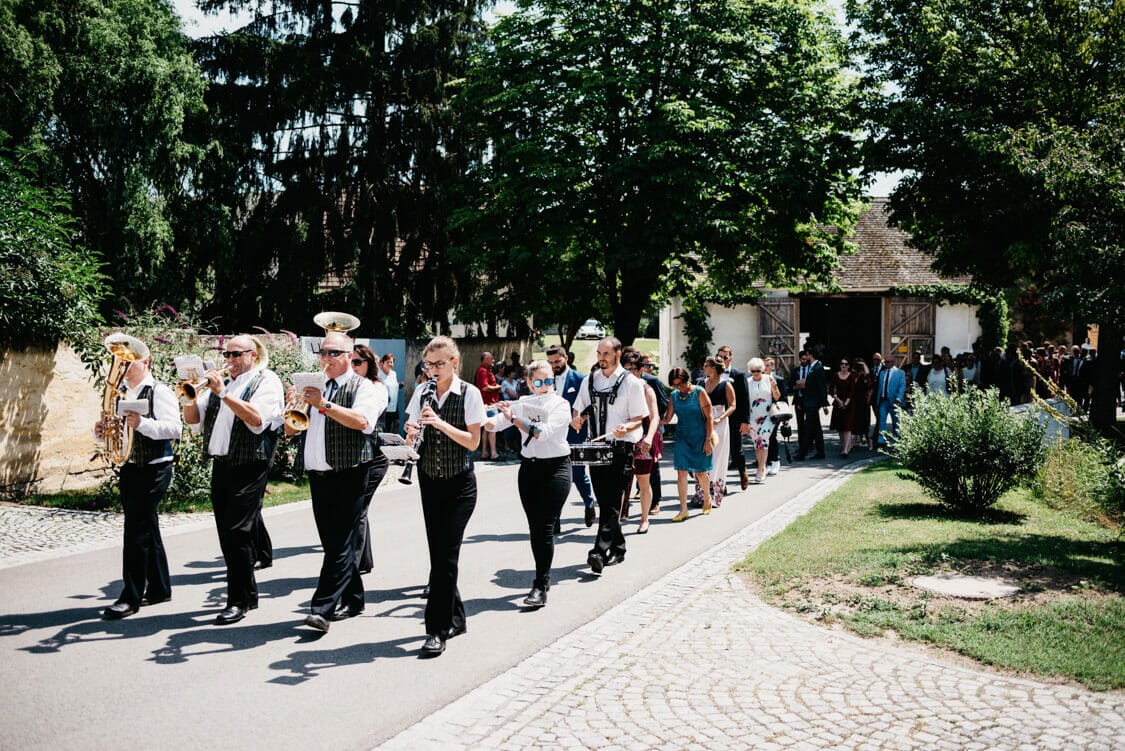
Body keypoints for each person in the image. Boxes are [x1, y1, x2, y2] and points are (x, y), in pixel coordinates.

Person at [286, 329, 386, 633]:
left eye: (334, 353)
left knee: (341, 542)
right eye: (323, 352)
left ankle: (321, 608)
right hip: (319, 474)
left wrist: (323, 405)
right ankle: (354, 599)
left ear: (349, 356)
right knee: (332, 543)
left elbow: (363, 422)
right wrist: (294, 405)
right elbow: (291, 431)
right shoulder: (315, 386)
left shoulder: (364, 387)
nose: (326, 358)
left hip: (349, 471)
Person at [183, 335, 283, 624]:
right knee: (227, 533)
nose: (229, 360)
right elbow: (193, 420)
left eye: (236, 354)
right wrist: (189, 395)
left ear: (253, 354)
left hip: (251, 464)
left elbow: (256, 420)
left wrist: (224, 392)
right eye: (226, 354)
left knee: (238, 532)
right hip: (223, 464)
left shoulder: (266, 380)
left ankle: (237, 601)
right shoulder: (219, 385)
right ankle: (248, 595)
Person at [404, 336, 484, 657]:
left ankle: (435, 630)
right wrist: (411, 434)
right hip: (429, 480)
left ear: (454, 363)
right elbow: (412, 427)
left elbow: (473, 442)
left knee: (446, 556)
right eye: (429, 365)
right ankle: (457, 617)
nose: (433, 370)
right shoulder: (422, 391)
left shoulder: (470, 394)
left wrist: (438, 422)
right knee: (439, 556)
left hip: (459, 485)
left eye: (439, 364)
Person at [97, 335, 181, 620]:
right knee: (147, 526)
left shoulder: (159, 391)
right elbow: (109, 430)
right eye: (122, 362)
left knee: (136, 530)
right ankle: (159, 588)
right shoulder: (119, 391)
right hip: (130, 465)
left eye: (131, 362)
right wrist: (100, 431)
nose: (125, 366)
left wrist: (142, 424)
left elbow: (174, 429)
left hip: (156, 466)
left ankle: (129, 597)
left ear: (146, 362)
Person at [484, 360, 571, 607]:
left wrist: (515, 419)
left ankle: (540, 584)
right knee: (535, 527)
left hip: (556, 468)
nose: (545, 386)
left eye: (549, 381)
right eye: (539, 382)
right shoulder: (523, 402)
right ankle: (542, 578)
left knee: (544, 526)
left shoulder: (560, 404)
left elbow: (543, 434)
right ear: (530, 382)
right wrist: (491, 414)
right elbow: (494, 425)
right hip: (529, 469)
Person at [570, 337, 648, 575]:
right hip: (596, 448)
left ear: (617, 353)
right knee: (606, 501)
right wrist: (577, 418)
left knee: (612, 499)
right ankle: (619, 547)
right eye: (599, 353)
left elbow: (639, 418)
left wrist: (627, 427)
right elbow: (579, 407)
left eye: (606, 353)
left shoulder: (631, 383)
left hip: (621, 448)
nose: (601, 357)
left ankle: (598, 551)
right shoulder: (589, 380)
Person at [349, 344, 391, 576]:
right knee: (358, 508)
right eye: (351, 362)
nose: (353, 366)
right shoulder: (349, 386)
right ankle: (363, 561)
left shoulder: (376, 388)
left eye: (358, 362)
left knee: (359, 508)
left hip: (375, 455)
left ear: (369, 364)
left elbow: (367, 421)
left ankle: (354, 564)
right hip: (358, 455)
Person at [546, 344, 598, 528]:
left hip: (575, 434)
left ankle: (589, 502)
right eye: (550, 362)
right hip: (552, 435)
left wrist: (579, 418)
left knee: (576, 474)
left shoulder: (580, 379)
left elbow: (590, 405)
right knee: (555, 477)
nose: (554, 366)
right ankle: (555, 519)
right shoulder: (546, 380)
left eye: (557, 361)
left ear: (566, 358)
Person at [662, 367, 714, 521]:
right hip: (682, 438)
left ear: (687, 380)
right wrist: (653, 422)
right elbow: (668, 417)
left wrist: (708, 440)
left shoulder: (699, 392)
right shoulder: (674, 396)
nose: (679, 387)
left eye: (681, 384)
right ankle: (683, 509)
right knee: (681, 472)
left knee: (700, 473)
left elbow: (710, 417)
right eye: (675, 385)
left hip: (700, 437)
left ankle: (707, 498)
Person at [621, 351, 663, 534]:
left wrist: (648, 438)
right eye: (626, 369)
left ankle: (644, 518)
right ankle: (621, 512)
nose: (629, 373)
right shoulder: (620, 388)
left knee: (643, 481)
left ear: (640, 371)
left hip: (643, 438)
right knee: (620, 481)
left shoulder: (647, 389)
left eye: (633, 369)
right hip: (623, 439)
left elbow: (655, 417)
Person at [702, 355, 736, 505]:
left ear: (713, 368)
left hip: (719, 420)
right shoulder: (701, 383)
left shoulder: (726, 384)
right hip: (703, 420)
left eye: (706, 365)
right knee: (703, 453)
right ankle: (702, 492)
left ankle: (715, 492)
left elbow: (733, 405)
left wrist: (720, 418)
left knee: (717, 454)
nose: (704, 368)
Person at [715, 345, 751, 489]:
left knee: (736, 450)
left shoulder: (739, 375)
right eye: (720, 357)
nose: (722, 359)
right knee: (718, 450)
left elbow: (744, 399)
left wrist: (745, 421)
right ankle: (720, 483)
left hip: (735, 418)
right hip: (717, 417)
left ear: (731, 358)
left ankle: (743, 472)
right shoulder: (712, 374)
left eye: (725, 357)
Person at [638, 353, 668, 513]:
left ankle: (656, 500)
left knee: (653, 465)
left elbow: (664, 402)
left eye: (651, 366)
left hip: (651, 426)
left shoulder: (652, 382)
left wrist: (653, 419)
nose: (650, 369)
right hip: (633, 428)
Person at [745, 357, 781, 483]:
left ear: (763, 370)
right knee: (757, 443)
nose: (756, 373)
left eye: (758, 370)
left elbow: (777, 396)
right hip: (753, 417)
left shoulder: (769, 379)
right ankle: (762, 467)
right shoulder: (747, 382)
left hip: (767, 416)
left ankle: (761, 469)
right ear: (750, 370)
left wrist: (774, 387)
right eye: (753, 371)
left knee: (763, 440)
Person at [791, 349, 828, 460]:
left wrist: (824, 404)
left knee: (807, 429)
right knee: (816, 429)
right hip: (809, 402)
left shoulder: (818, 368)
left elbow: (822, 387)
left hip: (813, 403)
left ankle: (802, 454)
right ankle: (821, 452)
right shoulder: (813, 367)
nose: (806, 357)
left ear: (810, 355)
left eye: (807, 355)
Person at [874, 353, 907, 446]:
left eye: (887, 362)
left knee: (896, 421)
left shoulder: (900, 373)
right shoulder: (882, 373)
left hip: (894, 401)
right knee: (882, 420)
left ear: (893, 362)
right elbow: (880, 387)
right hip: (883, 400)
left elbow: (902, 387)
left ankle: (897, 439)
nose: (885, 364)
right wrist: (878, 401)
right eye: (885, 362)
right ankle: (881, 440)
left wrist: (899, 398)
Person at [829, 359, 858, 457]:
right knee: (840, 427)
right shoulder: (835, 375)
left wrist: (846, 403)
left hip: (849, 403)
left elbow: (853, 391)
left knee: (848, 427)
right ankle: (844, 446)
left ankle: (846, 450)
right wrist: (838, 400)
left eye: (846, 364)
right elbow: (831, 390)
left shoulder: (852, 376)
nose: (844, 366)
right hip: (838, 402)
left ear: (849, 366)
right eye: (842, 364)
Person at [475, 352, 502, 460]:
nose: (493, 361)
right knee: (492, 428)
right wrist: (498, 387)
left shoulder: (484, 370)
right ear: (485, 359)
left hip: (487, 403)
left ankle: (485, 452)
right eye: (491, 358)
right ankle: (493, 453)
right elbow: (485, 387)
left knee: (486, 429)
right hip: (489, 404)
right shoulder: (482, 371)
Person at [762, 357, 786, 475]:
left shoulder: (778, 380)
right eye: (763, 365)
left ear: (772, 366)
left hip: (774, 412)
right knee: (762, 437)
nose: (765, 367)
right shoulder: (759, 379)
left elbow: (783, 399)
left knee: (772, 436)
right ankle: (765, 462)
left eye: (767, 365)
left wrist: (785, 419)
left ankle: (775, 460)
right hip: (760, 413)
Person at [851, 358, 873, 449]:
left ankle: (869, 443)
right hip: (855, 402)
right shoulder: (854, 376)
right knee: (854, 422)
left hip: (864, 402)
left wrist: (868, 399)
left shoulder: (866, 376)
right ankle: (853, 442)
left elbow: (870, 387)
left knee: (865, 423)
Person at [379, 352, 402, 433]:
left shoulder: (393, 374)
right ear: (383, 363)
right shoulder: (379, 374)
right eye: (388, 362)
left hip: (394, 404)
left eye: (391, 362)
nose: (390, 364)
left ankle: (393, 442)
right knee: (386, 426)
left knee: (397, 423)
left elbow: (393, 386)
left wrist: (399, 385)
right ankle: (385, 443)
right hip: (385, 404)